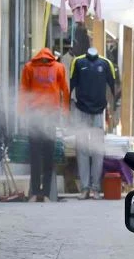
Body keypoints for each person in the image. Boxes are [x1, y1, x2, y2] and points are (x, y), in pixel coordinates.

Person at [20, 48, 69, 202]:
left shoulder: (29, 67)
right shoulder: (59, 68)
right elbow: (65, 91)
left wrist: (21, 113)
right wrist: (65, 113)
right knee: (48, 156)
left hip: (34, 116)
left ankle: (35, 193)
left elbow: (23, 91)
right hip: (51, 116)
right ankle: (46, 194)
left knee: (35, 156)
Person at [70, 47, 116, 199]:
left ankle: (95, 188)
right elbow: (70, 86)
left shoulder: (106, 63)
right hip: (81, 110)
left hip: (99, 112)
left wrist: (111, 110)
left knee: (97, 151)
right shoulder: (77, 62)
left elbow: (113, 87)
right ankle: (84, 188)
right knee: (82, 149)